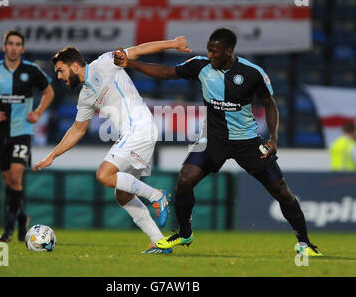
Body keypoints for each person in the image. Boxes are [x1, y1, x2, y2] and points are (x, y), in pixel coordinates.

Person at [113, 28, 322, 257]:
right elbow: (165, 72)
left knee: (281, 191)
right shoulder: (200, 65)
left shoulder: (252, 73)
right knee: (185, 180)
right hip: (212, 139)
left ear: (228, 51)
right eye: (208, 50)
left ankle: (305, 244)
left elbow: (269, 104)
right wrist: (130, 64)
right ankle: (184, 233)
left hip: (247, 141)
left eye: (214, 51)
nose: (210, 55)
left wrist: (273, 139)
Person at [32, 37, 191, 254]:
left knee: (104, 174)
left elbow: (137, 50)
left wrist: (172, 43)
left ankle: (157, 196)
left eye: (60, 70)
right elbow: (77, 130)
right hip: (136, 133)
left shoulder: (105, 63)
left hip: (139, 128)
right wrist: (52, 156)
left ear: (75, 66)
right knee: (122, 194)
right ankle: (158, 242)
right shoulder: (85, 96)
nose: (58, 77)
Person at [0, 30, 55, 242]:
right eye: (10, 43)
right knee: (8, 181)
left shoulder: (31, 70)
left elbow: (49, 92)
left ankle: (8, 230)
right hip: (1, 132)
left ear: (22, 48)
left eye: (17, 44)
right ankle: (21, 218)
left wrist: (37, 112)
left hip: (23, 131)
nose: (13, 47)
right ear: (4, 47)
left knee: (15, 177)